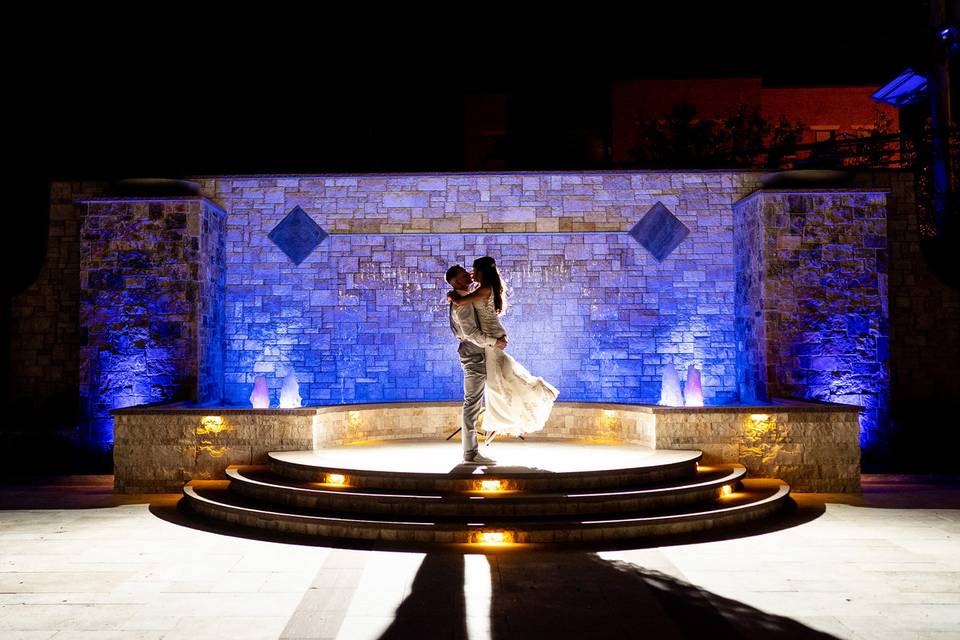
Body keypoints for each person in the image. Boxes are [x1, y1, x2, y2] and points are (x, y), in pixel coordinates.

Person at [447, 256, 559, 446]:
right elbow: (463, 304)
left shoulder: (483, 290)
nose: (471, 273)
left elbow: (460, 302)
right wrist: (454, 294)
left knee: (496, 382)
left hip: (492, 339)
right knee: (498, 379)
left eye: (473, 270)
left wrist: (452, 295)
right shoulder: (483, 288)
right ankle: (495, 424)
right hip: (492, 338)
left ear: (481, 272)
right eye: (467, 272)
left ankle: (498, 422)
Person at [445, 263, 505, 465]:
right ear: (456, 281)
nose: (469, 275)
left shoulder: (463, 299)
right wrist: (494, 342)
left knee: (485, 397)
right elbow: (470, 333)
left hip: (478, 352)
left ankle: (493, 426)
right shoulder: (462, 303)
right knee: (472, 403)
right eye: (464, 274)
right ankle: (470, 453)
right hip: (474, 353)